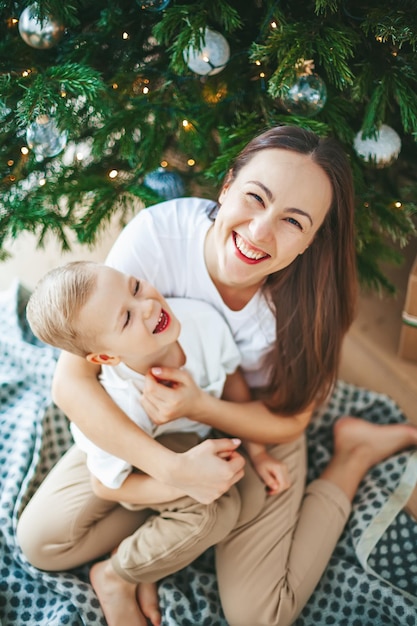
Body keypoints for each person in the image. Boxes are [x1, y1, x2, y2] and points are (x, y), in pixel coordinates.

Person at [17, 125, 417, 626]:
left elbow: (287, 420)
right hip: (151, 424)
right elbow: (71, 382)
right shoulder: (155, 239)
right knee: (42, 543)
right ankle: (160, 541)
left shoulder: (309, 304)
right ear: (226, 186)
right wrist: (169, 470)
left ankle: (352, 456)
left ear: (312, 239)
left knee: (260, 616)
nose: (260, 232)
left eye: (294, 221)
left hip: (249, 421)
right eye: (255, 197)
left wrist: (203, 413)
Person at [23, 259, 292, 625]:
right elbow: (106, 486)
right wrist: (178, 483)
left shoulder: (201, 322)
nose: (148, 305)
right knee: (214, 513)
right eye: (127, 319)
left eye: (135, 287)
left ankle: (146, 556)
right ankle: (115, 575)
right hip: (123, 474)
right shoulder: (118, 405)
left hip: (181, 439)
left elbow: (232, 381)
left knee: (240, 500)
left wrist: (258, 451)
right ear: (106, 357)